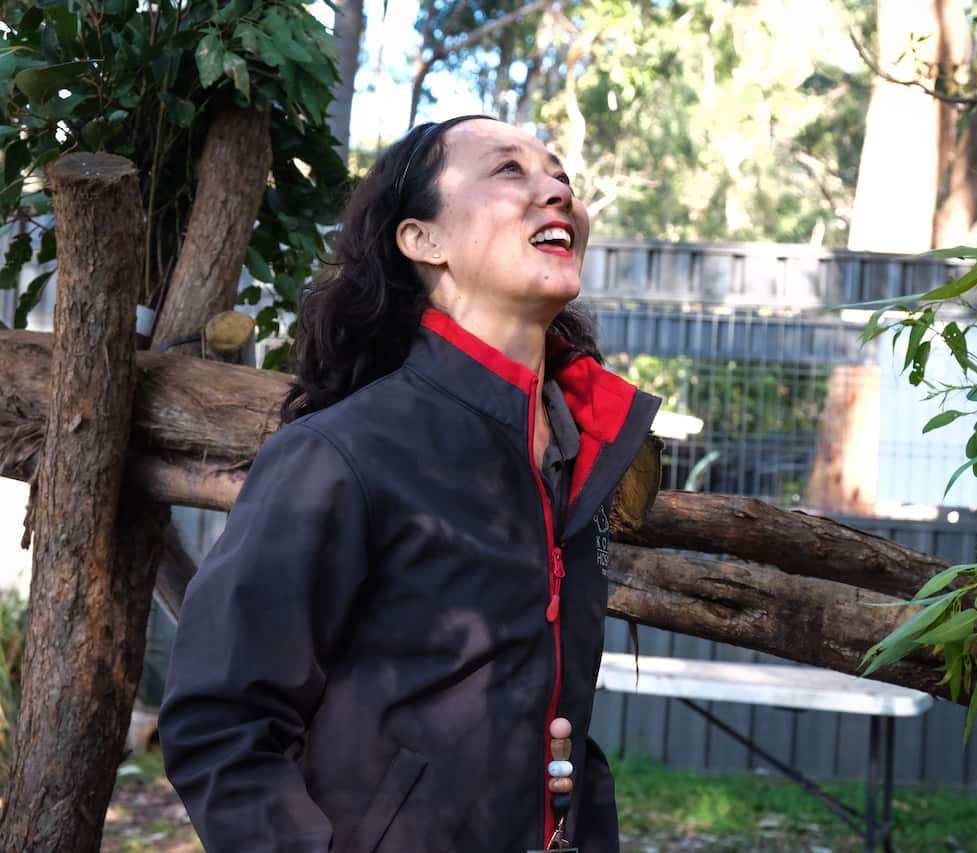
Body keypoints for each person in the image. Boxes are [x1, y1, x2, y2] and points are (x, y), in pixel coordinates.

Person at [158, 115, 660, 853]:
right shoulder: (339, 454)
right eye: (509, 171)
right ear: (423, 239)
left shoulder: (578, 452)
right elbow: (220, 721)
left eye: (561, 177)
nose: (556, 191)